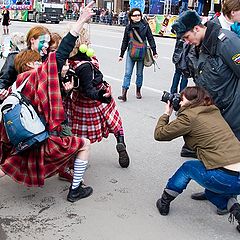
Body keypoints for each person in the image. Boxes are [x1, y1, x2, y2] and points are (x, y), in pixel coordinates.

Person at [0, 1, 96, 203]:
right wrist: (80, 21)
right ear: (28, 63)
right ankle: (75, 191)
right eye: (37, 60)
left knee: (10, 163)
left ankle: (66, 172)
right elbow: (61, 55)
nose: (41, 60)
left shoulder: (19, 81)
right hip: (41, 137)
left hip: (24, 134)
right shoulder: (36, 76)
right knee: (84, 145)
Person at [172, 10, 240, 203]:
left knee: (231, 158)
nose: (186, 41)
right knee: (210, 152)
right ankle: (212, 189)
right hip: (214, 112)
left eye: (187, 37)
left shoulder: (226, 42)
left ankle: (227, 197)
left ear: (197, 28)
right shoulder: (199, 47)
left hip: (234, 111)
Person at [154, 86, 240, 232]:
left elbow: (160, 134)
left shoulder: (189, 117)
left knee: (187, 168)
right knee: (212, 182)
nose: (179, 101)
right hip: (236, 177)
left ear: (192, 101)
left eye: (181, 99)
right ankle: (229, 205)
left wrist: (166, 114)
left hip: (223, 177)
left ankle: (164, 201)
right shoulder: (213, 110)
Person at [63, 27, 130, 169]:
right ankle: (120, 141)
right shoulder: (86, 63)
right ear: (81, 43)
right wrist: (101, 95)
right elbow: (89, 90)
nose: (89, 42)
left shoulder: (70, 61)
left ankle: (76, 157)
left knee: (79, 131)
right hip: (96, 97)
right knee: (114, 120)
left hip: (80, 101)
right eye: (86, 40)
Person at [0, 25, 51, 101]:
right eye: (43, 42)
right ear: (32, 40)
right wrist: (2, 93)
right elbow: (3, 81)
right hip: (18, 103)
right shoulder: (16, 57)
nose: (46, 45)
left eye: (48, 42)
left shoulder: (48, 59)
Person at [118, 8, 158, 102]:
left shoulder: (145, 25)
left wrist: (154, 51)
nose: (137, 17)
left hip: (141, 53)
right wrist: (121, 54)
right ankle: (124, 94)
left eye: (138, 15)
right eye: (135, 15)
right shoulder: (129, 27)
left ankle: (138, 91)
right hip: (130, 52)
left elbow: (150, 38)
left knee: (139, 73)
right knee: (127, 73)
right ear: (131, 17)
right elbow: (125, 41)